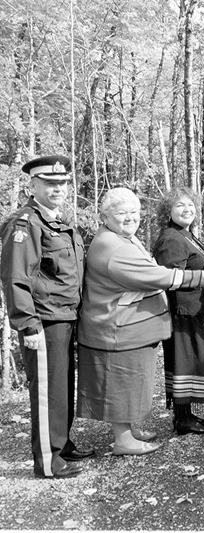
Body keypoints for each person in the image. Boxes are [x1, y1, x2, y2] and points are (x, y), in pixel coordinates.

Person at [77, 188, 204, 455]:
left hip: (131, 327)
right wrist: (197, 278)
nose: (130, 218)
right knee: (121, 382)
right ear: (104, 216)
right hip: (116, 328)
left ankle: (129, 431)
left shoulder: (123, 238)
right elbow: (153, 274)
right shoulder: (112, 246)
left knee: (133, 382)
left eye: (134, 212)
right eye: (121, 213)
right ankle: (123, 440)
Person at [0, 155, 95, 479]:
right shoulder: (25, 224)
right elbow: (16, 278)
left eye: (61, 184)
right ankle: (47, 460)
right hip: (43, 321)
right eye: (49, 183)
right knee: (47, 389)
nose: (57, 189)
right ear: (34, 184)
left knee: (62, 386)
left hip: (65, 316)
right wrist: (27, 325)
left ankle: (61, 442)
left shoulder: (57, 221)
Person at [152, 187, 204, 435]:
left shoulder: (187, 235)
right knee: (184, 362)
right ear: (167, 211)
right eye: (180, 205)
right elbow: (168, 277)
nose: (187, 210)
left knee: (192, 361)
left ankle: (188, 414)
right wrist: (200, 278)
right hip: (182, 312)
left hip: (195, 310)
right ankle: (182, 418)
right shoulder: (171, 238)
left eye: (190, 205)